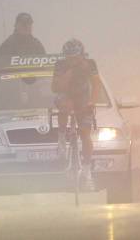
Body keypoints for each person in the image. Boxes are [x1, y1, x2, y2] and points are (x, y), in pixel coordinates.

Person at [51, 39, 102, 190]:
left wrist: (92, 102)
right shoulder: (60, 65)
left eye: (74, 57)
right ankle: (61, 138)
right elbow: (55, 87)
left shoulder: (90, 64)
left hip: (83, 98)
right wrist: (68, 74)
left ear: (81, 55)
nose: (71, 60)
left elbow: (96, 83)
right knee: (65, 104)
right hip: (64, 95)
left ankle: (86, 172)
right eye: (68, 57)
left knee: (85, 134)